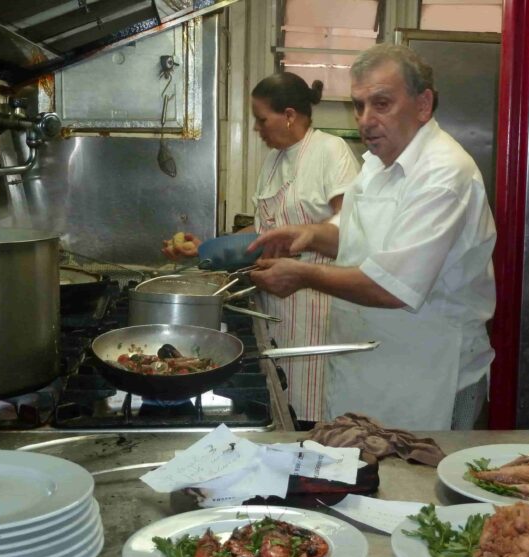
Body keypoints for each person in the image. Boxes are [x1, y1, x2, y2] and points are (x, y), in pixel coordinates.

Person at [247, 44, 496, 431]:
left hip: (428, 377)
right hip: (370, 368)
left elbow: (392, 287)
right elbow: (352, 233)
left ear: (423, 103)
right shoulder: (378, 165)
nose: (365, 119)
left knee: (417, 485)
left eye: (381, 103)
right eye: (359, 105)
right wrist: (310, 235)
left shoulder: (444, 174)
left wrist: (302, 275)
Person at [164, 72, 359, 426]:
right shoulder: (273, 161)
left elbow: (350, 230)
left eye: (261, 119)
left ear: (288, 114)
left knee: (315, 415)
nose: (256, 128)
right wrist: (206, 248)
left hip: (319, 306)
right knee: (283, 404)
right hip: (274, 304)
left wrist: (309, 242)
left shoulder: (331, 152)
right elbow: (263, 232)